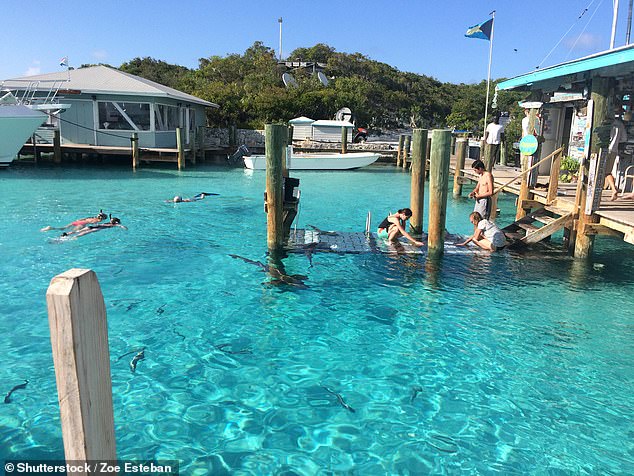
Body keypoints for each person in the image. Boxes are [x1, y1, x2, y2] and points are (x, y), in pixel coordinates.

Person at [605, 108, 627, 200]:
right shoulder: (620, 124)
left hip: (604, 149)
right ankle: (613, 189)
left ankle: (613, 189)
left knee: (599, 171)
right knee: (607, 171)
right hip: (614, 150)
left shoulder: (606, 124)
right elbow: (624, 139)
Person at [61, 216, 127, 239]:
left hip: (93, 226)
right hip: (96, 228)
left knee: (78, 231)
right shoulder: (114, 225)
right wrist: (124, 227)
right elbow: (120, 225)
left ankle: (67, 234)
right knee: (85, 233)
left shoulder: (108, 223)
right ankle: (75, 237)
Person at [41, 210, 108, 232]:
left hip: (77, 222)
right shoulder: (97, 221)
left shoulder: (91, 217)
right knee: (73, 232)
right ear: (102, 219)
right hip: (82, 224)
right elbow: (92, 225)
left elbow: (81, 219)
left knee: (63, 228)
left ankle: (51, 228)